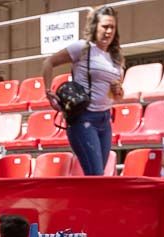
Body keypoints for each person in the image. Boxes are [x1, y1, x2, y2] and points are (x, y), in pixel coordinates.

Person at [41, 5, 125, 176]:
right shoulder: (83, 48)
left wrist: (118, 91)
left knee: (98, 175)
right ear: (95, 27)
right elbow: (48, 62)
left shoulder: (116, 58)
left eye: (112, 27)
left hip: (105, 119)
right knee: (96, 174)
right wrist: (48, 91)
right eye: (105, 26)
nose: (109, 31)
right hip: (83, 117)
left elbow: (116, 96)